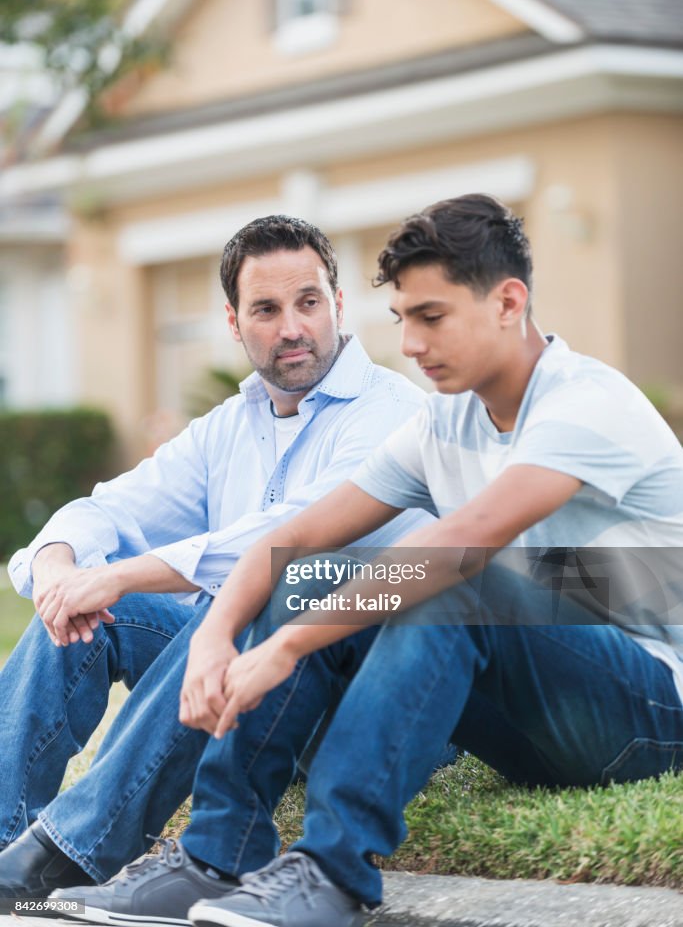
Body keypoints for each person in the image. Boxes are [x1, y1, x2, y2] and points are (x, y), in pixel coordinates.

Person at [57, 192, 683, 927]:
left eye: (431, 317)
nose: (410, 345)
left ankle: (330, 872)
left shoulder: (585, 404)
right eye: (401, 320)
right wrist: (217, 634)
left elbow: (457, 546)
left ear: (508, 302)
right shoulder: (442, 422)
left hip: (649, 709)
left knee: (447, 579)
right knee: (309, 576)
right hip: (535, 709)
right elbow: (300, 539)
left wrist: (285, 647)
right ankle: (214, 858)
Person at [0, 214, 431, 905]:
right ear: (234, 323)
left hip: (337, 682)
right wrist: (56, 569)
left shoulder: (393, 413)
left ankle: (70, 853)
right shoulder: (229, 427)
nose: (291, 326)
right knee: (93, 614)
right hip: (236, 682)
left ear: (338, 305)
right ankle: (5, 853)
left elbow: (288, 536)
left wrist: (117, 573)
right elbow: (108, 510)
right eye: (265, 309)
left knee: (247, 595)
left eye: (308, 302)